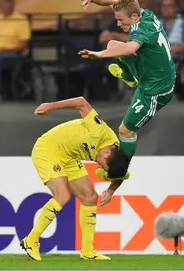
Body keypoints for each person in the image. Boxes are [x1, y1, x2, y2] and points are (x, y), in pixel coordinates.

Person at [20, 96, 130, 261]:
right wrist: (50, 106)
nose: (99, 167)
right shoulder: (98, 131)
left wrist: (111, 190)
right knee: (63, 195)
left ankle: (87, 251)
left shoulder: (116, 157)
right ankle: (32, 239)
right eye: (101, 163)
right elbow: (81, 102)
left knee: (90, 197)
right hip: (48, 149)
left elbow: (120, 174)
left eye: (102, 168)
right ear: (107, 152)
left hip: (69, 156)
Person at [76, 0, 176, 161]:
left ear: (135, 17)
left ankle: (120, 171)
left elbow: (130, 49)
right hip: (149, 71)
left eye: (121, 20)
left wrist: (99, 55)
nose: (118, 23)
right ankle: (130, 77)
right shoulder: (143, 13)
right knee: (113, 43)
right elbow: (110, 0)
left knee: (125, 130)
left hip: (157, 88)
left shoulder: (141, 30)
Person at [0, 0, 31, 102]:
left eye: (9, 1)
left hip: (14, 54)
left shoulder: (21, 19)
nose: (6, 4)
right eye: (4, 2)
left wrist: (3, 49)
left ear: (13, 3)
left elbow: (23, 45)